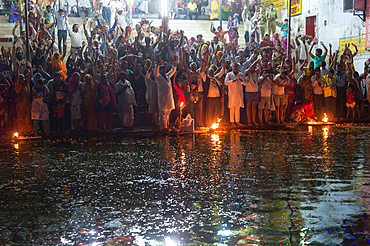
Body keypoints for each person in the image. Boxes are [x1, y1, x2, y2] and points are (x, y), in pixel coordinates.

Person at [155, 56, 178, 131]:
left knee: (168, 114)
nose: (164, 70)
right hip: (162, 98)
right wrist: (157, 65)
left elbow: (173, 71)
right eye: (163, 69)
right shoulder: (159, 77)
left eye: (165, 69)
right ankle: (163, 128)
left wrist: (174, 64)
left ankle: (166, 126)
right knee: (163, 114)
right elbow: (156, 72)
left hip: (169, 98)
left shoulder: (167, 76)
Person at [15, 63, 34, 135]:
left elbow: (30, 77)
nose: (22, 79)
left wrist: (30, 68)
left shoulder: (26, 83)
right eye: (21, 78)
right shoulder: (18, 85)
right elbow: (16, 78)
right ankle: (21, 131)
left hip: (26, 104)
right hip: (20, 105)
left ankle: (28, 130)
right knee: (21, 118)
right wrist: (17, 69)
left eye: (23, 77)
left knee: (27, 117)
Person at [244, 59, 260, 125]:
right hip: (249, 91)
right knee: (248, 106)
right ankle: (249, 121)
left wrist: (258, 63)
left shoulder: (256, 72)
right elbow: (250, 68)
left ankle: (253, 121)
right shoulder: (247, 72)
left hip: (256, 91)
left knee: (254, 106)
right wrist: (255, 62)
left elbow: (259, 68)